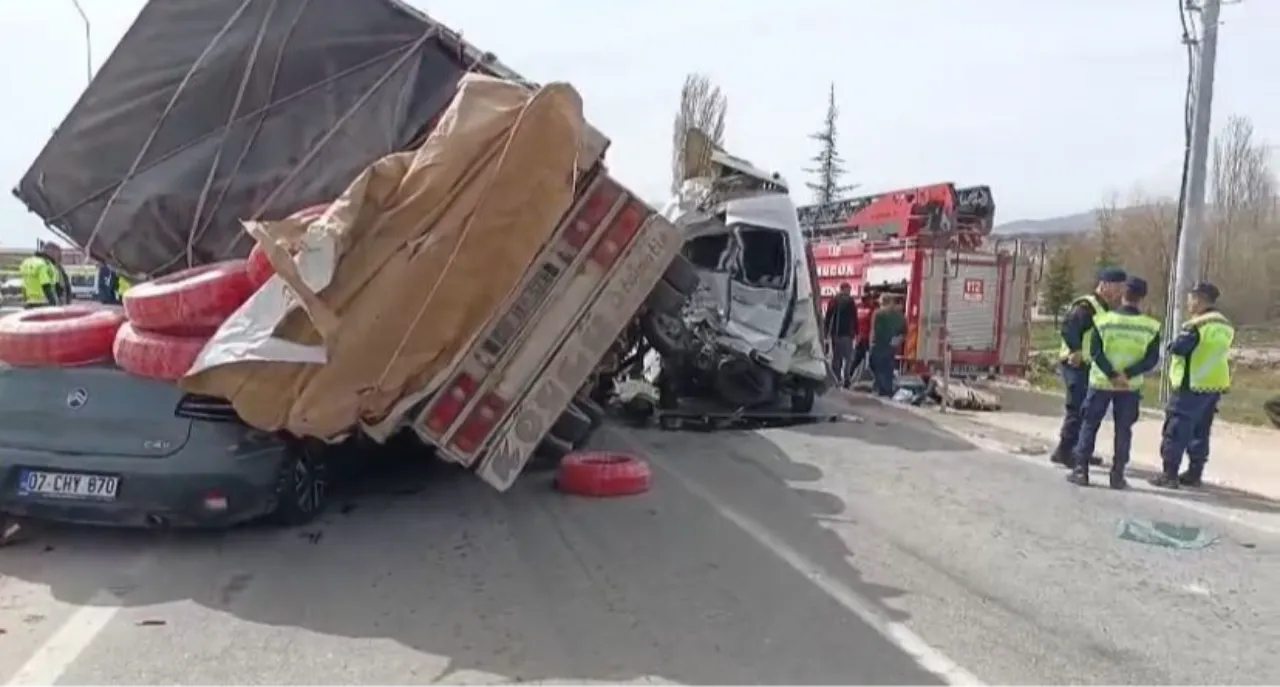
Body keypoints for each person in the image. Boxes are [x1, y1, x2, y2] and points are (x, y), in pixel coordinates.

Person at [1067, 277, 1161, 489]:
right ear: (1142, 298)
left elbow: (1095, 352)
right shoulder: (1151, 327)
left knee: (1090, 425)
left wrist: (1111, 374)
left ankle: (1081, 470)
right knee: (1123, 430)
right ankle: (1117, 475)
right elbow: (1151, 359)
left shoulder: (1103, 321)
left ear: (1123, 295)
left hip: (1101, 382)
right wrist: (1127, 374)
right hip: (1129, 386)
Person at [1151, 282, 1234, 489]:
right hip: (1214, 385)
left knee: (1176, 430)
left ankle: (1169, 474)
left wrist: (1170, 345)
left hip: (1191, 384)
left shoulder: (1195, 326)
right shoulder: (1225, 325)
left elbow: (1179, 348)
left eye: (1190, 299)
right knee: (1200, 431)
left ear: (1199, 300)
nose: (1188, 304)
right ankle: (1195, 473)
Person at [1049, 267, 1128, 468]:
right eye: (1117, 287)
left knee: (1087, 409)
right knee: (1077, 408)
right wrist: (1075, 350)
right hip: (1075, 364)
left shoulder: (1104, 308)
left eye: (1122, 288)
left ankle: (1081, 449)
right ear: (1104, 285)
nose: (1120, 292)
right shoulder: (1086, 306)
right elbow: (1068, 328)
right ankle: (1065, 451)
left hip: (1088, 365)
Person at [868, 293, 905, 397]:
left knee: (876, 366)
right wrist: (897, 341)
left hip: (878, 345)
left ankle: (880, 388)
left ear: (882, 302)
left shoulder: (878, 313)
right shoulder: (898, 314)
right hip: (890, 346)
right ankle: (887, 390)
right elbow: (904, 330)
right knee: (888, 368)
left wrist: (871, 344)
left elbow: (874, 330)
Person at [824, 282, 858, 387]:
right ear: (843, 289)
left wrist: (826, 332)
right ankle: (846, 379)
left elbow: (828, 317)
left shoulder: (833, 301)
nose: (849, 291)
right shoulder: (850, 301)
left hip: (836, 333)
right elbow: (854, 318)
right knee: (848, 358)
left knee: (837, 358)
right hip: (847, 334)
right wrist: (856, 332)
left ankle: (836, 378)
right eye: (848, 289)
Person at [18, 243, 64, 308]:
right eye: (59, 255)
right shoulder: (45, 264)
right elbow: (46, 285)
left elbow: (23, 285)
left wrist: (25, 300)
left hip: (29, 302)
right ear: (52, 253)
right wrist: (54, 304)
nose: (59, 258)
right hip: (44, 303)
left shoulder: (26, 262)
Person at [850, 293, 877, 381]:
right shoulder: (872, 309)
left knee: (856, 359)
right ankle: (876, 378)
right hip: (867, 337)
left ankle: (849, 376)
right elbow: (873, 324)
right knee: (871, 360)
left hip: (859, 337)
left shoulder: (858, 308)